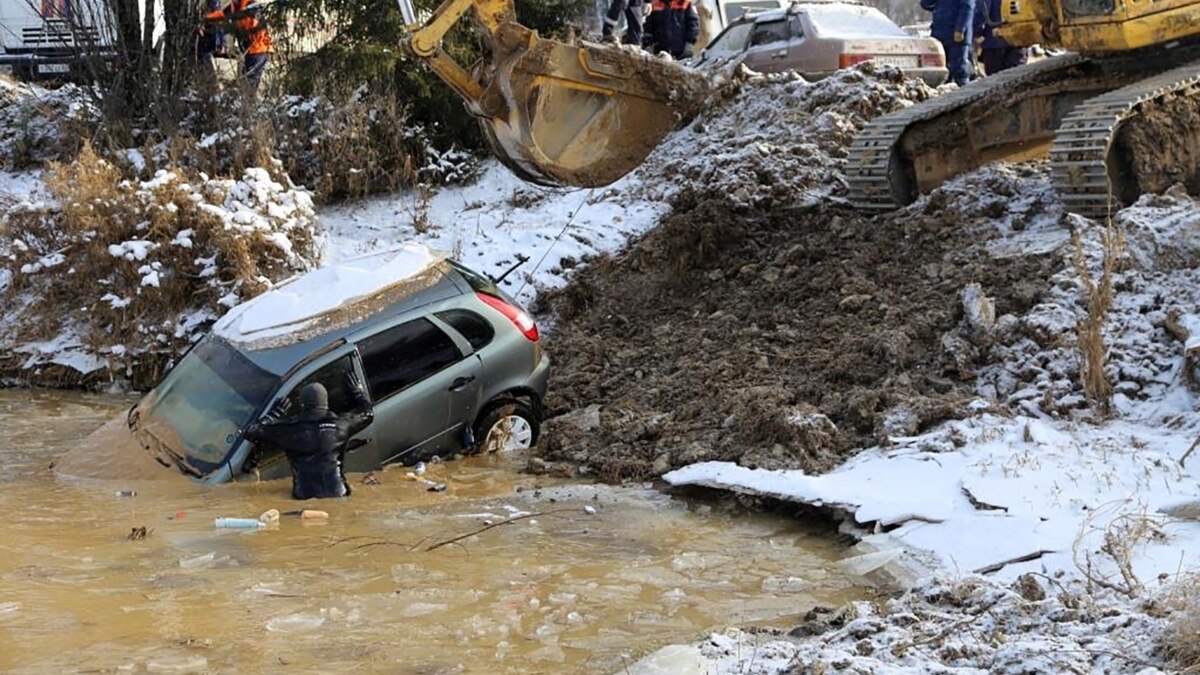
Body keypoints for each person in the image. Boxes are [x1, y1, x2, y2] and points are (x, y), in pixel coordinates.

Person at [245, 373, 374, 500]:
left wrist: (274, 414)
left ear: (302, 405)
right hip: (339, 493)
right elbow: (368, 414)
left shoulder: (289, 430)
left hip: (305, 496)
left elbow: (251, 432)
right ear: (326, 403)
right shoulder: (342, 424)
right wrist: (359, 392)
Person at [204, 0, 274, 93]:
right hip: (250, 51)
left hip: (259, 50)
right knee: (245, 81)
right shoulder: (234, 4)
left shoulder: (251, 5)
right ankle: (246, 103)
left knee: (249, 84)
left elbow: (240, 25)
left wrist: (214, 30)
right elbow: (222, 14)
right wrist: (206, 18)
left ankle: (248, 104)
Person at [921, 0, 976, 86]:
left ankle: (964, 93)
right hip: (939, 34)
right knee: (943, 72)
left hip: (956, 36)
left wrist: (960, 29)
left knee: (958, 69)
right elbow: (926, 4)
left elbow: (967, 7)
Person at [974, 0, 1028, 75]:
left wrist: (977, 34)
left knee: (995, 78)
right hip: (1018, 39)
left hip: (994, 42)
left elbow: (981, 12)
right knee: (1017, 76)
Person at [195, 0, 226, 86]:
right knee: (204, 60)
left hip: (208, 35)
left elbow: (217, 16)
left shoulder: (213, 3)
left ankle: (212, 86)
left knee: (205, 59)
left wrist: (221, 42)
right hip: (207, 34)